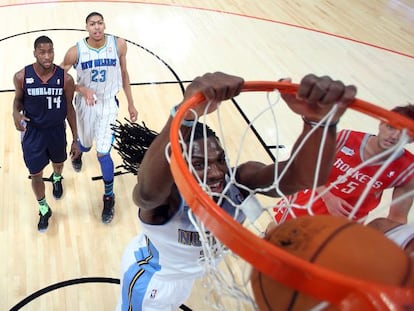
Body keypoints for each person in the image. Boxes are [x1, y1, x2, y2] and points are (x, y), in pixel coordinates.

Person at [116, 71, 357, 310]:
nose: (216, 172)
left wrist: (320, 123)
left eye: (220, 159)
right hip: (151, 280)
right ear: (180, 167)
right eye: (199, 164)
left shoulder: (239, 181)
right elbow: (146, 194)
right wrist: (185, 114)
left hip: (186, 277)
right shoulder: (168, 197)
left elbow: (303, 177)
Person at [274, 104, 414, 224]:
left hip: (346, 221)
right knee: (273, 235)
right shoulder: (346, 138)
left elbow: (397, 217)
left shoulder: (408, 169)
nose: (394, 136)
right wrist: (328, 197)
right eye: (391, 127)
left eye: (404, 134)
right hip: (309, 201)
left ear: (411, 140)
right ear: (381, 123)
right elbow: (305, 168)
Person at [60, 12, 138, 224]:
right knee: (85, 146)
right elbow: (60, 78)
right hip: (85, 104)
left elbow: (124, 72)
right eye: (92, 24)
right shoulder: (75, 51)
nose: (97, 27)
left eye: (100, 23)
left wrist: (130, 102)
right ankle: (78, 153)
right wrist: (80, 88)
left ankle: (109, 196)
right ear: (86, 27)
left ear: (104, 25)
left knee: (103, 153)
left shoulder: (119, 44)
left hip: (108, 105)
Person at [12, 35, 80, 232]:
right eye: (42, 52)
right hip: (33, 133)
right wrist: (15, 113)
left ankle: (57, 178)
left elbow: (69, 108)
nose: (47, 56)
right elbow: (17, 100)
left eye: (50, 51)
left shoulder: (65, 79)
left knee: (58, 163)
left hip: (57, 131)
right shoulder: (21, 76)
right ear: (35, 53)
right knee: (35, 174)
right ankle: (43, 208)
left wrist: (76, 139)